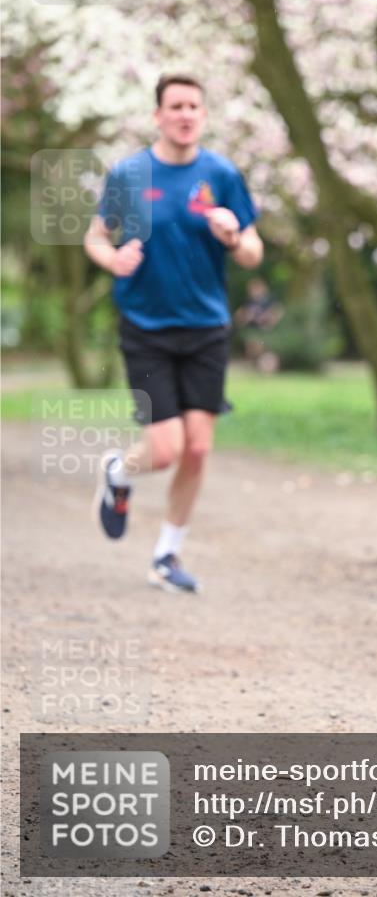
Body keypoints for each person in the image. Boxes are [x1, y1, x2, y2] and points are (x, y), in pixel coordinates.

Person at [84, 73, 263, 592]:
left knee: (199, 449)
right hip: (145, 328)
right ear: (158, 115)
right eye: (175, 106)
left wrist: (233, 238)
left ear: (203, 116)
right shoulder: (130, 174)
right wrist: (112, 258)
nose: (185, 114)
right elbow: (95, 238)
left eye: (194, 107)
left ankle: (166, 555)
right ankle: (119, 471)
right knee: (164, 450)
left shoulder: (222, 175)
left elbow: (253, 252)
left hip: (206, 327)